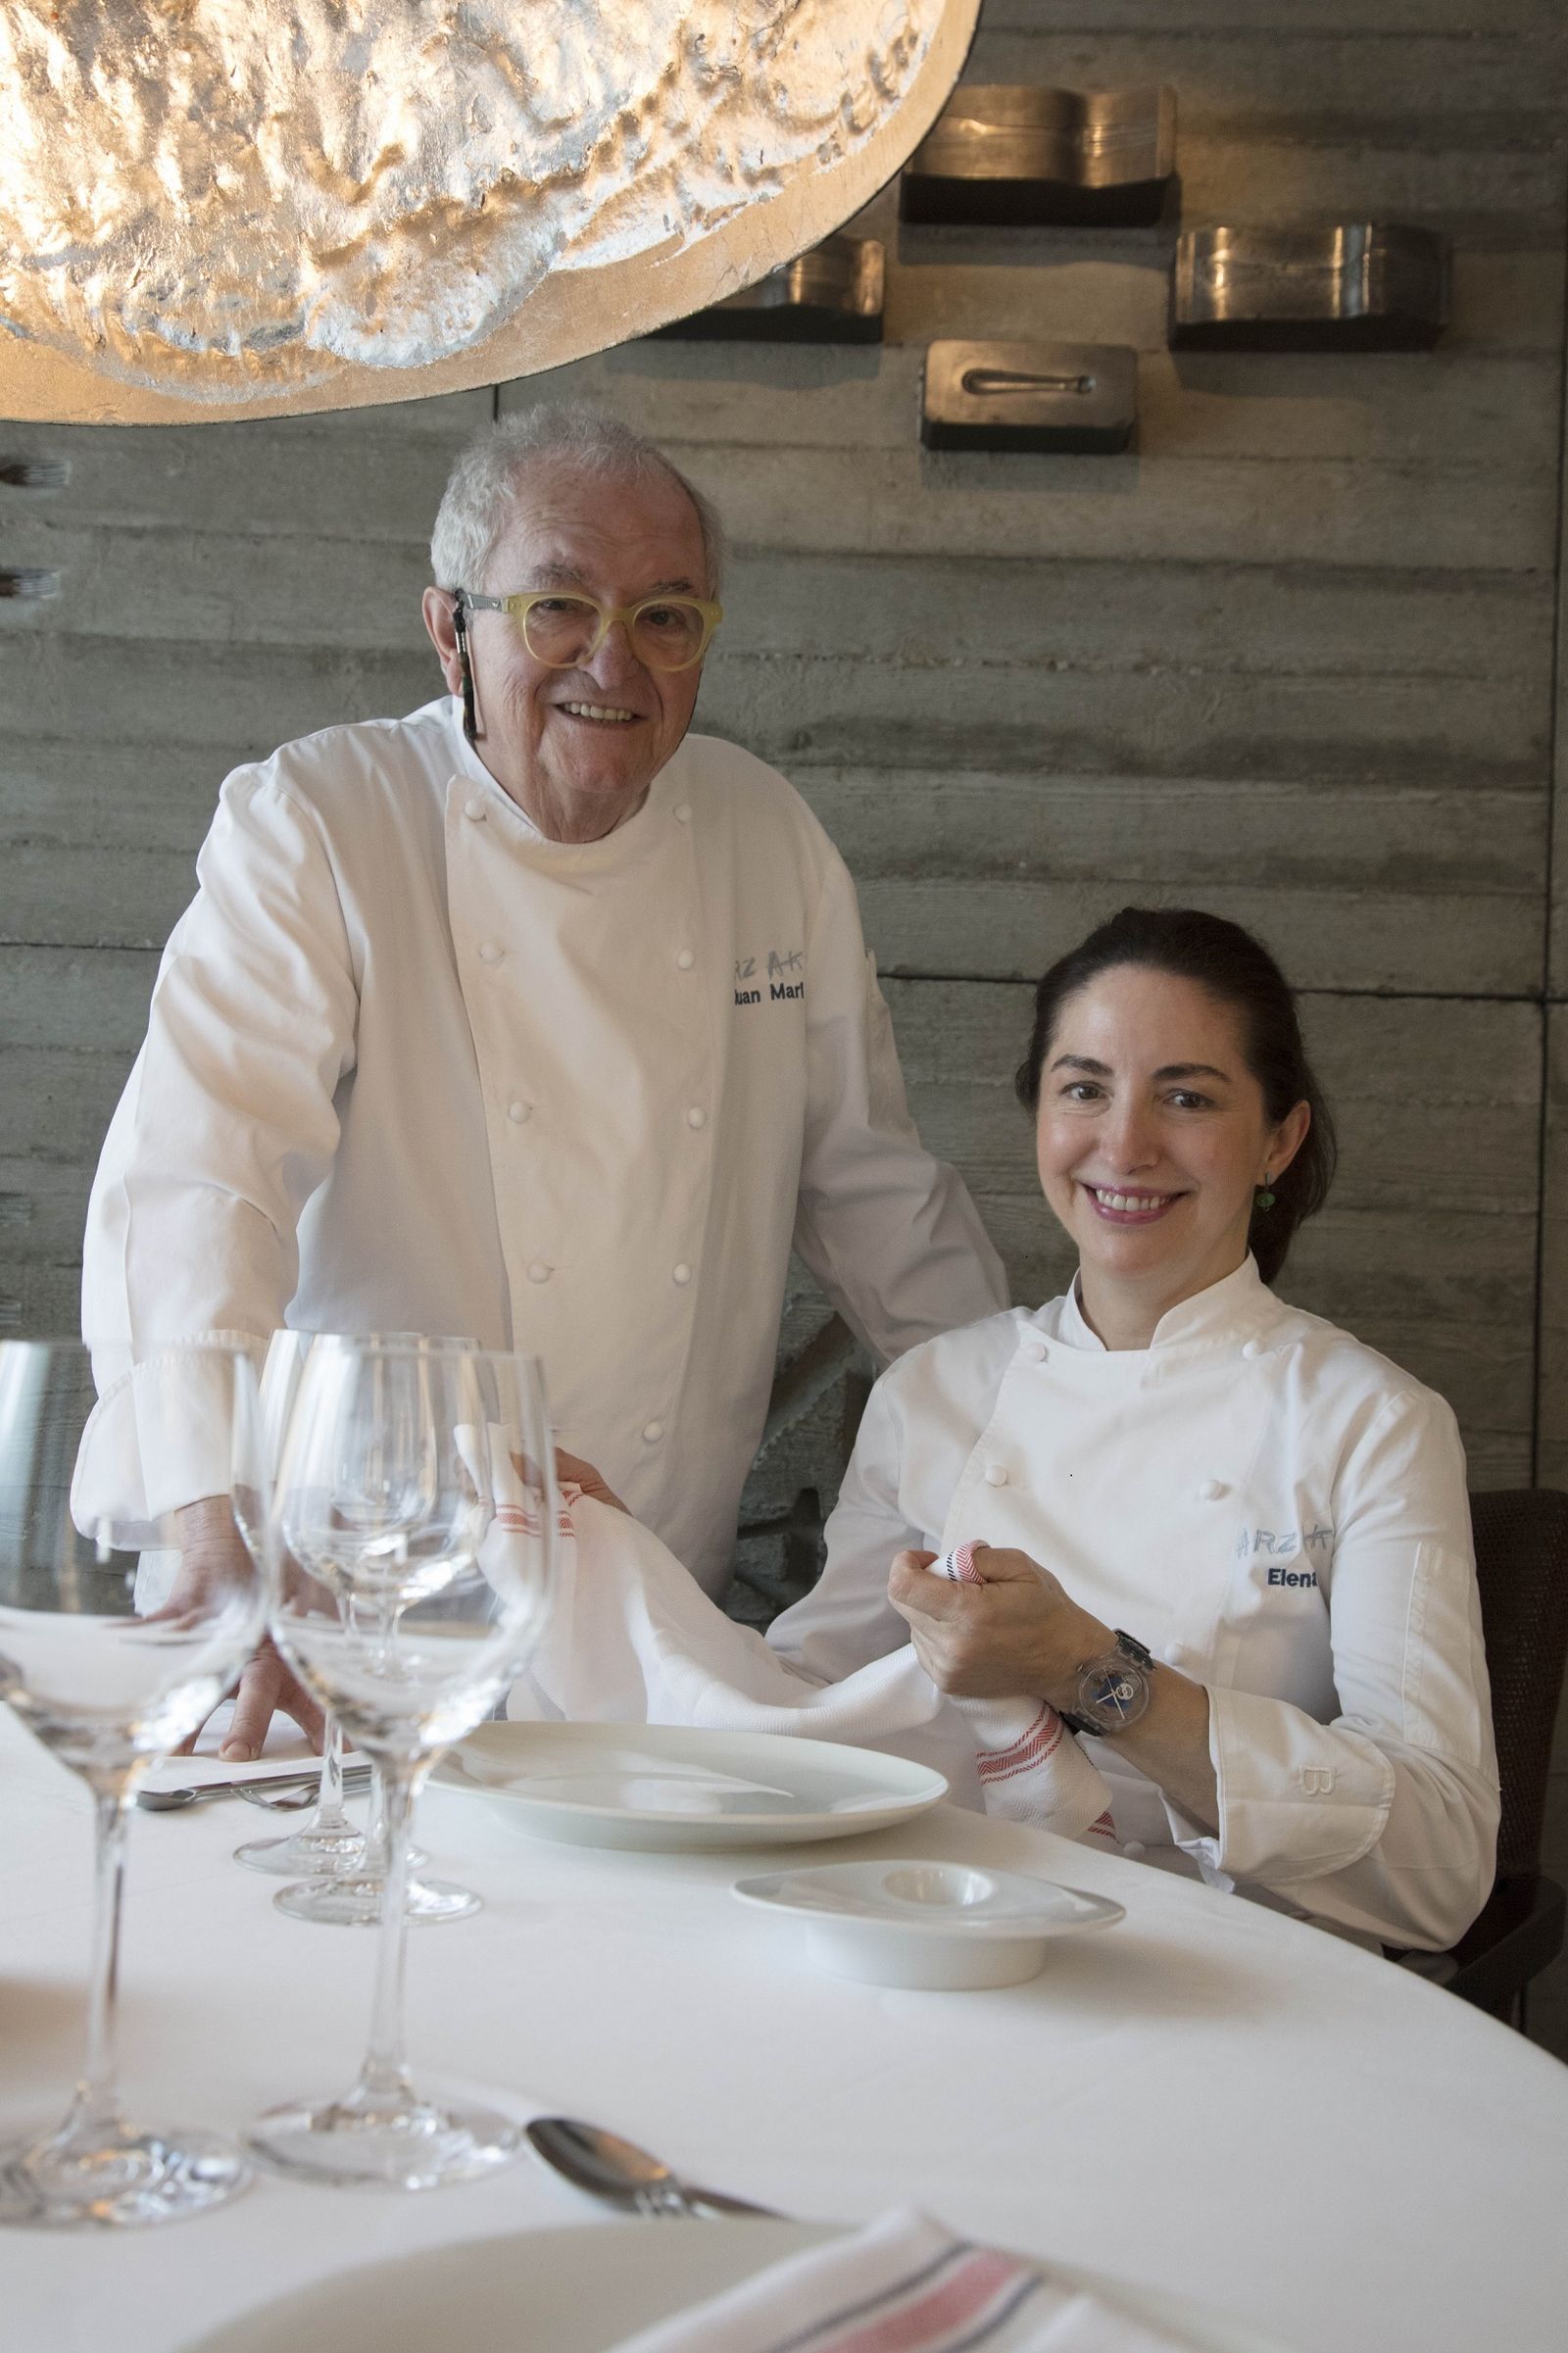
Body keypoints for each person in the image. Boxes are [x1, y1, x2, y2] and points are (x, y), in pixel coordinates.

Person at [80, 405, 1006, 1758]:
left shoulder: (766, 838)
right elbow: (200, 1185)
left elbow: (881, 1203)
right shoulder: (323, 821)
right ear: (450, 630)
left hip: (642, 1631)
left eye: (666, 616)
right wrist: (211, 1521)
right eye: (557, 605)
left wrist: (1039, 1449)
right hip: (331, 1623)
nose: (611, 660)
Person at [766, 907, 1499, 1951]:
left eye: (1186, 1097)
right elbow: (806, 1714)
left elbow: (1442, 1866)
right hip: (946, 1940)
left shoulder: (1373, 1425)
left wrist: (1091, 1673)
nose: (1124, 1145)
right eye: (1084, 1089)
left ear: (1279, 1139)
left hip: (1233, 1974)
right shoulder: (934, 1392)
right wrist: (613, 1575)